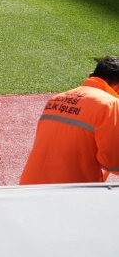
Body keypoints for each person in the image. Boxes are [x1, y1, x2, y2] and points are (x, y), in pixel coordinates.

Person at [20, 56, 119, 185]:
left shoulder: (56, 98)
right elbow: (113, 163)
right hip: (70, 190)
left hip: (30, 185)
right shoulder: (110, 104)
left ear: (91, 75)